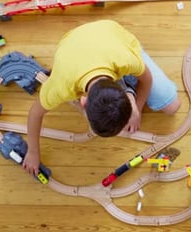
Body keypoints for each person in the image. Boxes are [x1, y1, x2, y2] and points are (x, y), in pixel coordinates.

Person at [23, 20, 181, 176]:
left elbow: (147, 80)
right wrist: (33, 152)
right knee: (167, 103)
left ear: (83, 102)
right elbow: (35, 114)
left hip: (114, 36)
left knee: (172, 106)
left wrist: (137, 109)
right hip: (72, 42)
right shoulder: (60, 86)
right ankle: (130, 88)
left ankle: (131, 89)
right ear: (82, 100)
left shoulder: (125, 59)